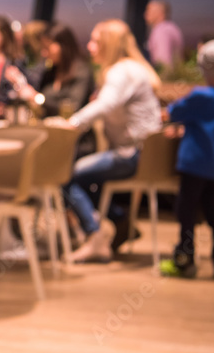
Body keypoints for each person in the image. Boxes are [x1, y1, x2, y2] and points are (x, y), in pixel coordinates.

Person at [60, 19, 163, 263]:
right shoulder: (134, 68)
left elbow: (106, 104)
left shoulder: (121, 71)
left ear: (110, 44)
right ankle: (121, 221)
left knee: (65, 176)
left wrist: (71, 124)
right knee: (88, 180)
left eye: (95, 41)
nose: (89, 46)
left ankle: (95, 238)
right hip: (144, 154)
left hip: (132, 155)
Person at [160, 39, 214, 280]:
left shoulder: (200, 96)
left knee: (186, 212)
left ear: (203, 68)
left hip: (193, 164)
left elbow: (171, 113)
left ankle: (185, 260)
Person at [7, 23, 94, 119]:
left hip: (74, 132)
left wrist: (37, 98)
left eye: (47, 48)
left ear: (63, 45)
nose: (44, 53)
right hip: (50, 130)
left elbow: (73, 107)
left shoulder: (81, 71)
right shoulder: (50, 72)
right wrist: (19, 82)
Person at [144, 0, 183, 72]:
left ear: (160, 13)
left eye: (149, 11)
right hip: (174, 75)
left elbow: (163, 61)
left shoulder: (161, 31)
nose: (145, 14)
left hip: (165, 78)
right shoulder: (172, 27)